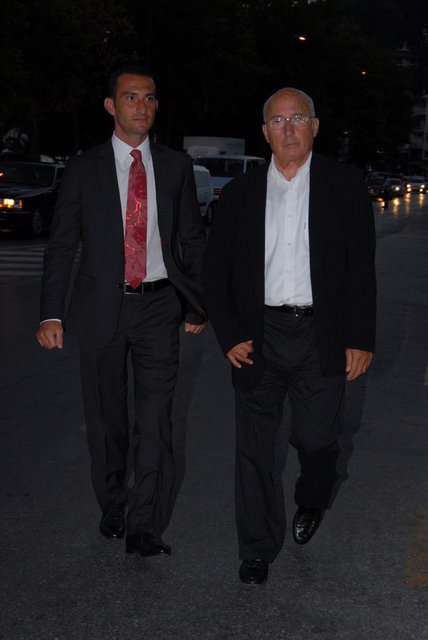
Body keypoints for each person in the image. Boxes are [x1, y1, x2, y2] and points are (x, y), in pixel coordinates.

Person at [202, 87, 376, 585]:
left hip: (324, 334)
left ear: (315, 126)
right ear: (265, 133)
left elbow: (361, 269)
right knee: (254, 448)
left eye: (298, 118)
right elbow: (215, 272)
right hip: (259, 334)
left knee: (316, 439)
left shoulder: (346, 186)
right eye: (278, 121)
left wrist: (360, 337)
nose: (289, 129)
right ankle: (257, 548)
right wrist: (229, 334)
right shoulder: (240, 194)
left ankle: (313, 496)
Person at [36, 64, 206, 558]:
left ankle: (144, 523)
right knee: (107, 418)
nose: (142, 106)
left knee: (155, 420)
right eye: (131, 97)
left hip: (159, 307)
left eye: (149, 98)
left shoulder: (175, 167)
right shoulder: (83, 169)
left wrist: (197, 303)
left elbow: (192, 240)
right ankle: (113, 501)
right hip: (99, 308)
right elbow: (61, 244)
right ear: (111, 105)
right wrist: (51, 313)